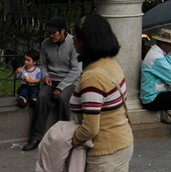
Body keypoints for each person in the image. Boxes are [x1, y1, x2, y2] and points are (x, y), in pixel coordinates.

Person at [69, 14, 133, 172]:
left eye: (76, 34)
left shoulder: (93, 77)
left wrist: (67, 139)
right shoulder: (111, 63)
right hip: (121, 142)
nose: (72, 38)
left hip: (105, 153)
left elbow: (90, 129)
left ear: (86, 40)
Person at [24, 16, 82, 152]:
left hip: (70, 81)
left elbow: (76, 69)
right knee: (42, 98)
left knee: (63, 99)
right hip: (52, 80)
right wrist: (46, 76)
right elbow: (42, 64)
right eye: (49, 33)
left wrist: (61, 88)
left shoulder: (73, 43)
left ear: (63, 31)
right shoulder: (45, 44)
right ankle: (36, 137)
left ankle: (66, 137)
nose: (51, 35)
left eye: (54, 33)